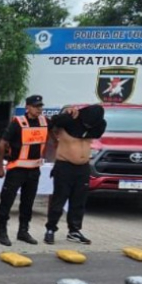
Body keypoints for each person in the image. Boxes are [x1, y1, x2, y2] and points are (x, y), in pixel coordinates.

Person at [44, 104, 106, 245]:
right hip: (65, 165)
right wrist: (54, 139)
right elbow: (48, 124)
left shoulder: (97, 125)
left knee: (79, 201)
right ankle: (51, 229)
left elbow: (96, 133)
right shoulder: (67, 120)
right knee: (59, 200)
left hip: (83, 167)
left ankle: (74, 231)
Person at [0, 94, 48, 246]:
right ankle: (2, 232)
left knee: (28, 203)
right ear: (28, 107)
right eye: (36, 107)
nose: (39, 109)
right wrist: (0, 167)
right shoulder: (17, 123)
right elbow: (2, 144)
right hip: (16, 169)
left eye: (40, 107)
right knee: (7, 201)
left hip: (34, 170)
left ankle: (23, 231)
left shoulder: (44, 122)